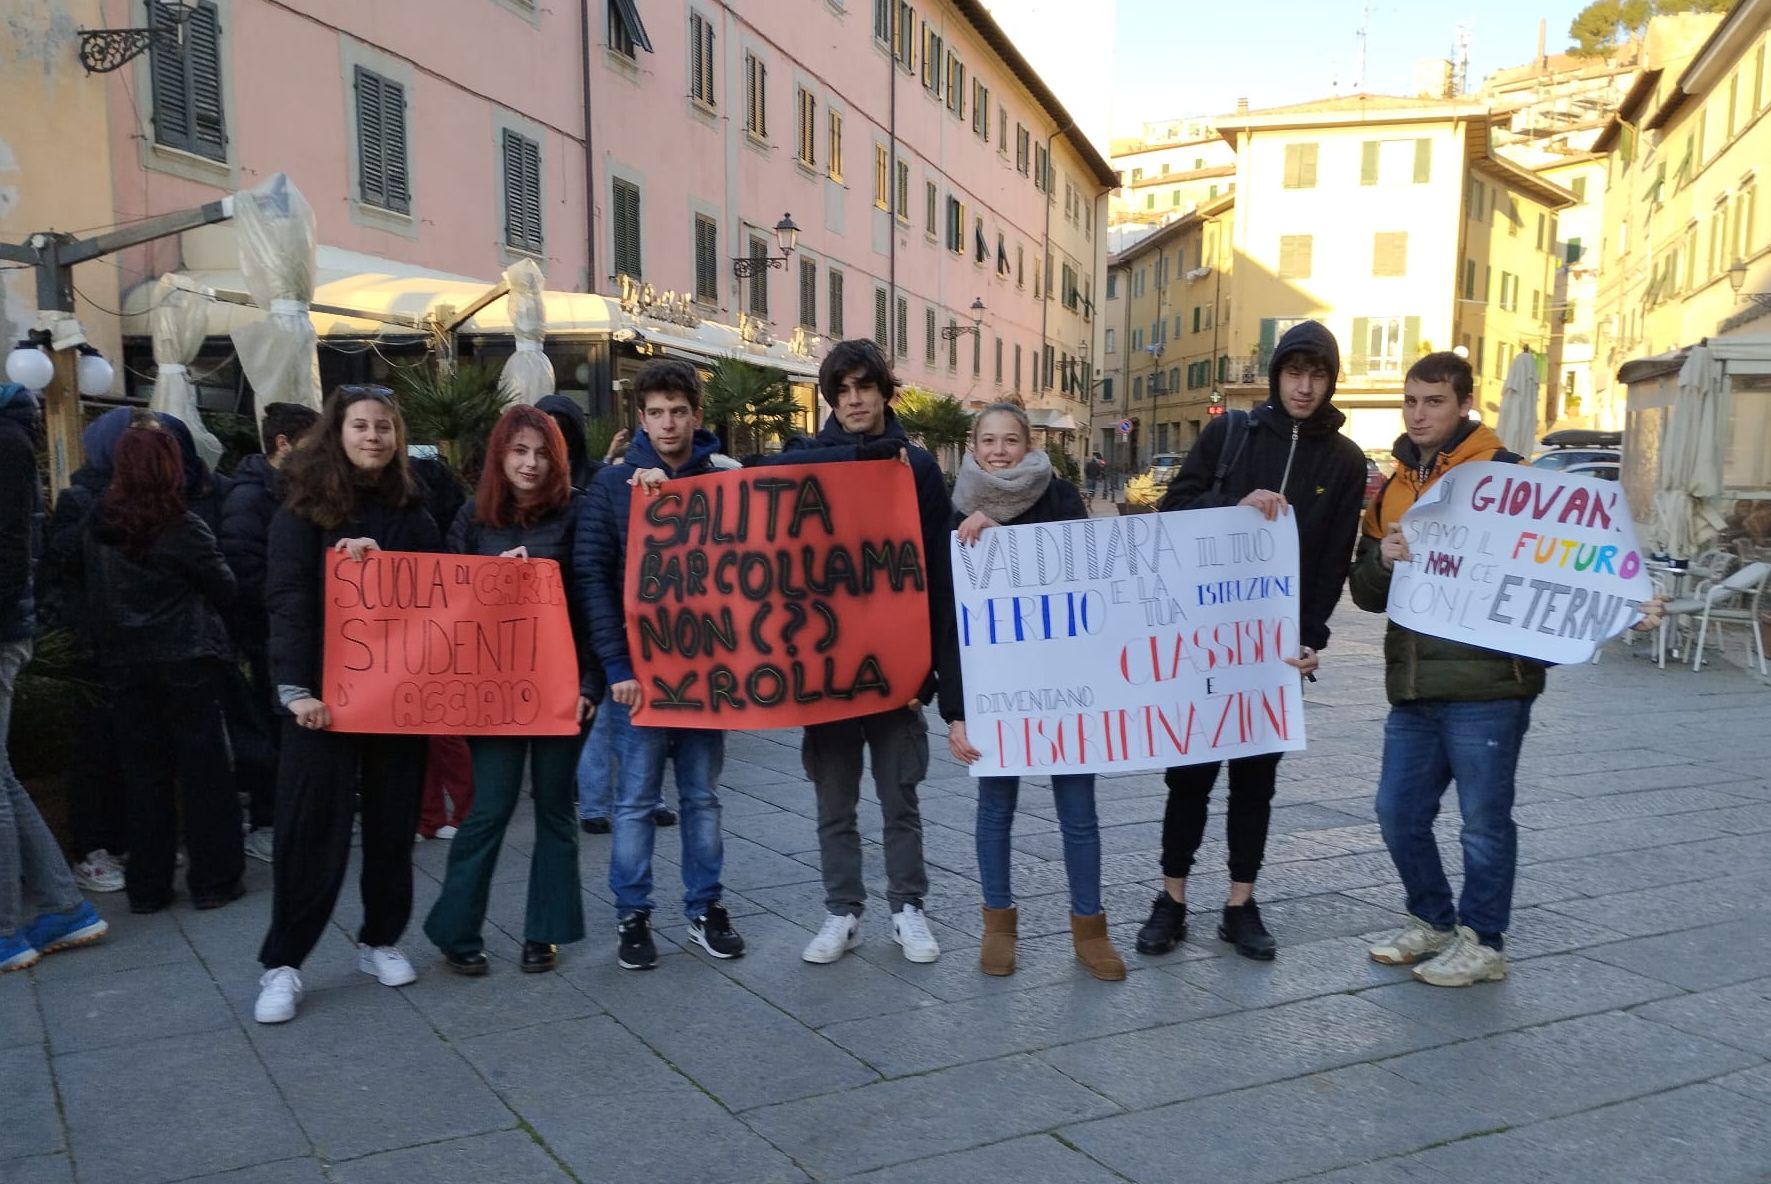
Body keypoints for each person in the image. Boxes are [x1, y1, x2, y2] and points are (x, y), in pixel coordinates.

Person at [1350, 351, 1658, 985]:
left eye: (1433, 401)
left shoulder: (1509, 476)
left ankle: (1484, 941)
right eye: (1410, 401)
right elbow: (1365, 591)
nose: (1418, 413)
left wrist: (1628, 605)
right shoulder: (1394, 486)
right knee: (1396, 813)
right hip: (1411, 686)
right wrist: (1383, 558)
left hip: (1491, 687)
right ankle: (1433, 921)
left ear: (1465, 404)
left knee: (1483, 823)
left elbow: (1570, 565)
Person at [1136, 320, 1366, 961]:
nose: (1305, 386)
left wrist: (1313, 636)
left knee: (1255, 782)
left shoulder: (1345, 461)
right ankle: (1171, 898)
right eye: (1295, 372)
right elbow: (1172, 512)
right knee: (1188, 776)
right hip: (1204, 638)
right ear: (1277, 374)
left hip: (1273, 648)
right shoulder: (1229, 434)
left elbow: (1332, 560)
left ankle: (1241, 903)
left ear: (1330, 381)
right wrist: (1238, 502)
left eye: (1317, 375)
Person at [751, 339, 954, 966]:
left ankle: (907, 909)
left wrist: (931, 667)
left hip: (895, 668)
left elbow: (937, 569)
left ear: (884, 391)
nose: (855, 399)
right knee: (833, 800)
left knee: (901, 797)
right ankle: (843, 912)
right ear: (831, 398)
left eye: (865, 387)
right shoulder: (803, 464)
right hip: (826, 669)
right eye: (842, 390)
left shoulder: (915, 467)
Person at [255, 385, 441, 1024]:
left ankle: (380, 939)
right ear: (336, 435)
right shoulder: (300, 514)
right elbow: (287, 600)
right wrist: (294, 688)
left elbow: (444, 597)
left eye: (384, 427)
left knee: (393, 825)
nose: (373, 437)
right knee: (311, 828)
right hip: (322, 702)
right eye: (361, 426)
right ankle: (284, 962)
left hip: (395, 700)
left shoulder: (414, 513)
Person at [942, 405, 1124, 981]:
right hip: (997, 691)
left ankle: (1089, 929)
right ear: (973, 445)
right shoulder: (953, 507)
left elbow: (1083, 572)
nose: (999, 451)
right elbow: (949, 619)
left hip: (1063, 683)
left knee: (1079, 814)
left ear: (1029, 444)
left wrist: (1006, 541)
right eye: (989, 440)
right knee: (995, 810)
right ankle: (997, 925)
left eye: (1011, 440)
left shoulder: (1062, 496)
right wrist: (956, 713)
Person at [575, 359, 744, 970]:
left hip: (705, 674)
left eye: (679, 411)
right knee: (636, 802)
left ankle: (705, 908)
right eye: (657, 413)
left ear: (696, 415)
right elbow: (591, 575)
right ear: (639, 417)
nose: (669, 423)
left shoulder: (725, 481)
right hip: (640, 679)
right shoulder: (613, 486)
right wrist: (616, 666)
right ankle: (633, 915)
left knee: (702, 798)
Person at [424, 405, 602, 975]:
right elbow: (443, 607)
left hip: (562, 689)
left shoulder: (579, 513)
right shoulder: (472, 519)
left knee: (554, 809)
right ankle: (456, 930)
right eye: (519, 451)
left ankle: (542, 933)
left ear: (558, 458)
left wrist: (591, 683)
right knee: (490, 807)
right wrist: (493, 580)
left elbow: (595, 602)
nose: (530, 463)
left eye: (542, 452)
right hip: (493, 690)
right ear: (500, 455)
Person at [81, 420, 244, 913]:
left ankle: (147, 887)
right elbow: (225, 587)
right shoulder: (185, 526)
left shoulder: (97, 524)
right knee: (205, 773)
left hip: (123, 664)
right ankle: (213, 879)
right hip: (186, 657)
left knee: (143, 774)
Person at [1, 382, 108, 973]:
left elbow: (11, 548)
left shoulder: (5, 439)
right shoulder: (13, 436)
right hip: (7, 626)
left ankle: (5, 932)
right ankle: (65, 908)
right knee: (2, 776)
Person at [539, 393, 674, 833]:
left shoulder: (601, 478)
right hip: (573, 615)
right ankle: (596, 803)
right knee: (599, 714)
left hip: (606, 609)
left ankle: (646, 795)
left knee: (637, 713)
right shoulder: (537, 484)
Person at [220, 401, 320, 863]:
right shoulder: (249, 498)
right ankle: (270, 820)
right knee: (272, 729)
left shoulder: (287, 491)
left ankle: (293, 817)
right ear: (284, 445)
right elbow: (247, 575)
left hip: (285, 633)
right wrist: (292, 603)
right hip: (266, 636)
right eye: (312, 443)